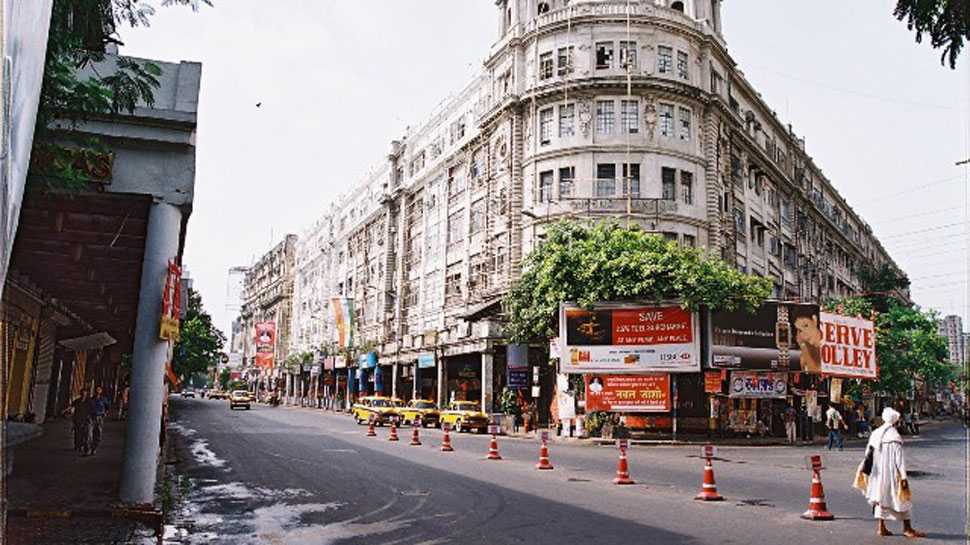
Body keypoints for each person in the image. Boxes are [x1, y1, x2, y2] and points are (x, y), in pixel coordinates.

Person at [860, 407, 926, 538]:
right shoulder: (894, 437)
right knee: (902, 498)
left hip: (877, 473)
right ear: (895, 421)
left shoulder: (876, 433)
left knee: (881, 498)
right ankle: (907, 528)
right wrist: (903, 477)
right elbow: (899, 460)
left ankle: (881, 527)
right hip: (892, 473)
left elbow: (867, 454)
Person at [87, 386, 111, 455]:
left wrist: (105, 413)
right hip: (91, 417)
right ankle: (88, 449)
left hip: (100, 418)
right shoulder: (91, 400)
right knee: (89, 434)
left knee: (98, 434)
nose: (98, 391)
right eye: (96, 389)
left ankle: (94, 448)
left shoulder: (103, 399)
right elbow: (88, 408)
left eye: (99, 389)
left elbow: (108, 407)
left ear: (101, 391)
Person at [66, 390, 91, 455]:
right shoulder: (77, 401)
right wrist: (66, 410)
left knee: (85, 434)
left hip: (86, 420)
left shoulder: (89, 401)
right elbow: (71, 406)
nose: (83, 395)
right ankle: (78, 445)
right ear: (80, 394)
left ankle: (84, 446)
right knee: (77, 433)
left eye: (85, 394)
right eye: (82, 394)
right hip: (77, 419)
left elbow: (92, 409)